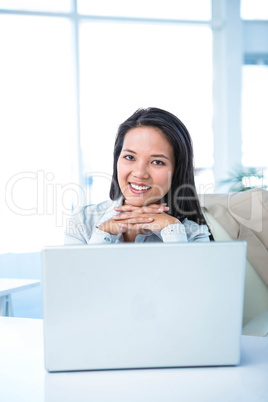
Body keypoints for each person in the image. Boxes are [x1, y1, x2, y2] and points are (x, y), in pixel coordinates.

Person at [65, 107, 213, 245]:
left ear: (176, 170)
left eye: (157, 162)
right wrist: (103, 234)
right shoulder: (82, 222)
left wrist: (173, 232)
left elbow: (185, 273)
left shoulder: (194, 234)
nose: (140, 173)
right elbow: (79, 273)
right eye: (130, 157)